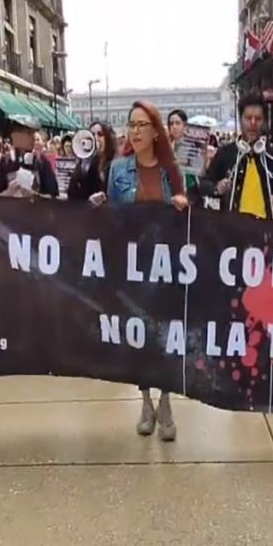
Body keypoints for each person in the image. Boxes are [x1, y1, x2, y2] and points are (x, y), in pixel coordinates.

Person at [91, 100, 189, 442]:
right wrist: (102, 207)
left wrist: (181, 206)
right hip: (132, 268)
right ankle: (146, 401)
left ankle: (166, 401)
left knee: (163, 337)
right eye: (131, 124)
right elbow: (115, 220)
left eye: (142, 124)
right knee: (140, 338)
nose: (135, 130)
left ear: (155, 129)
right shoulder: (118, 170)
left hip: (165, 267)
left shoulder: (171, 170)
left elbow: (189, 217)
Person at [202, 94, 273, 218]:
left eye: (258, 119)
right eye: (248, 118)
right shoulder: (225, 153)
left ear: (264, 121)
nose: (253, 123)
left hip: (265, 228)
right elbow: (204, 184)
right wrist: (217, 188)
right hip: (234, 229)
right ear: (240, 119)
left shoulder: (271, 154)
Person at [67, 121, 116, 202]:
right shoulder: (86, 164)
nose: (95, 138)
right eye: (92, 135)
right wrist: (82, 166)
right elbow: (73, 193)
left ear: (108, 138)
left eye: (100, 134)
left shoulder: (115, 164)